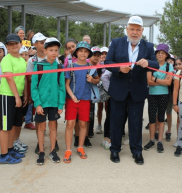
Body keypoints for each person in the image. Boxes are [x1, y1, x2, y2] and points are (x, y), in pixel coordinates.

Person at [105, 15, 159, 165]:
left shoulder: (148, 46)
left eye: (137, 30)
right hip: (118, 90)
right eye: (132, 29)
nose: (134, 32)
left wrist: (148, 62)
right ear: (127, 29)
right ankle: (114, 150)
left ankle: (137, 151)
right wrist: (119, 68)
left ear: (142, 31)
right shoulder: (116, 43)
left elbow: (156, 65)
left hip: (137, 91)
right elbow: (108, 63)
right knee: (116, 122)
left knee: (136, 123)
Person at [64, 41, 100, 163]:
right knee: (70, 124)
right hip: (72, 100)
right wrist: (72, 96)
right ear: (76, 53)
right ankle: (68, 149)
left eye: (85, 52)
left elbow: (97, 81)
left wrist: (92, 80)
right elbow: (67, 85)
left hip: (85, 99)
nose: (83, 53)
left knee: (84, 124)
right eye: (81, 51)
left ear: (88, 54)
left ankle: (80, 147)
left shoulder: (91, 67)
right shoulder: (71, 67)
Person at [31, 38, 65, 165]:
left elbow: (62, 87)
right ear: (45, 51)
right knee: (41, 127)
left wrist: (61, 104)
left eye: (56, 50)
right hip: (42, 103)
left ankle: (52, 151)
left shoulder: (60, 67)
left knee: (53, 127)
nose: (54, 53)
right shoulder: (39, 66)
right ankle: (41, 151)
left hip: (54, 103)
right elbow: (34, 87)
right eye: (51, 50)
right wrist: (37, 104)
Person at [0, 34, 27, 164]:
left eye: (16, 43)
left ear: (20, 44)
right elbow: (9, 78)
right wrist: (17, 97)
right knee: (5, 127)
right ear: (7, 47)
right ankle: (3, 155)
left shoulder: (22, 60)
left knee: (13, 125)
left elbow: (24, 78)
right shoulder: (6, 59)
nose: (14, 46)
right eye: (10, 44)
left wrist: (24, 95)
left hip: (18, 96)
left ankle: (10, 149)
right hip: (7, 96)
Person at [144, 44, 173, 153]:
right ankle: (151, 140)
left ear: (166, 55)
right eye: (158, 52)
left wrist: (155, 79)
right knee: (152, 117)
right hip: (152, 94)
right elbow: (148, 81)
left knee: (161, 117)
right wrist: (162, 81)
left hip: (164, 94)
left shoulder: (168, 66)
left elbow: (168, 82)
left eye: (162, 53)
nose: (160, 54)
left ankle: (160, 141)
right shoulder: (151, 65)